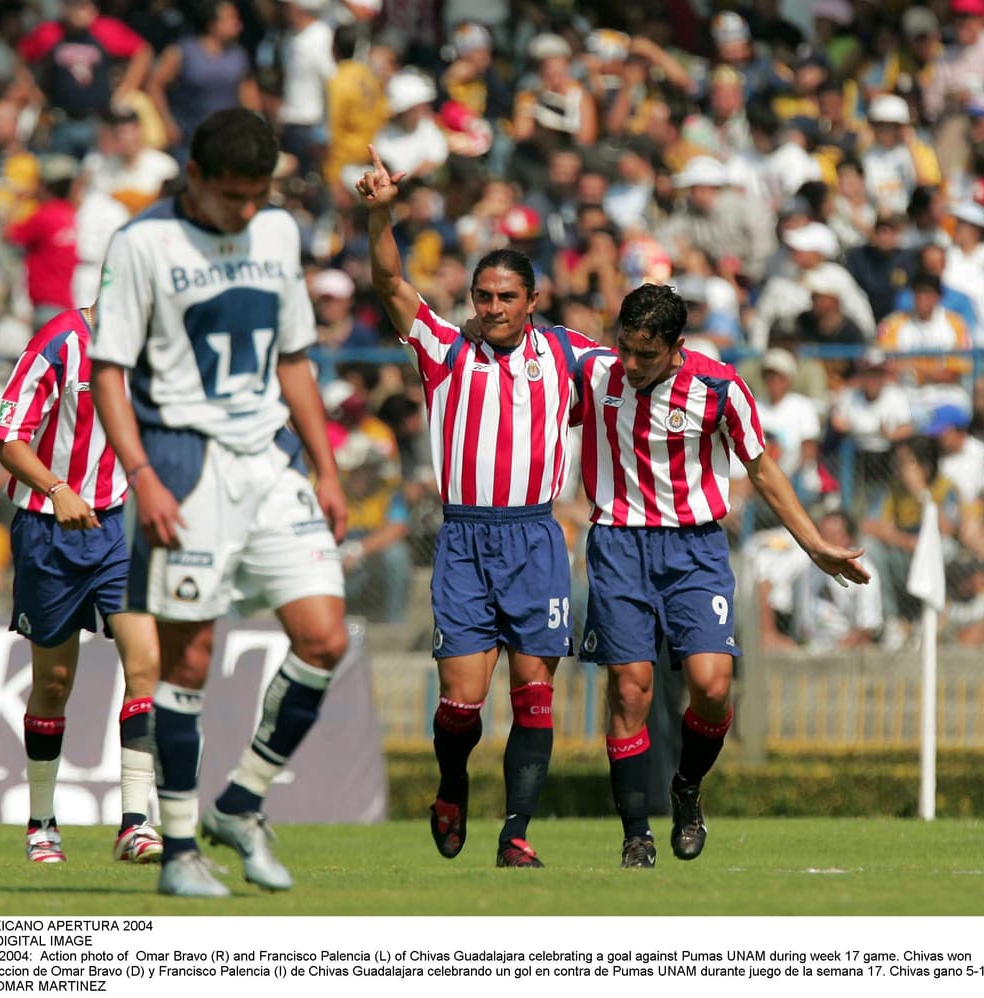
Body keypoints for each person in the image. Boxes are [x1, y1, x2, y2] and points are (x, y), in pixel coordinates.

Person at [88, 108, 349, 898]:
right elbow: (109, 371)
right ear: (194, 177)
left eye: (258, 194)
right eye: (233, 195)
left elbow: (296, 358)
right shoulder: (143, 245)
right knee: (189, 659)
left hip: (269, 461)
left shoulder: (276, 234)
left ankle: (240, 802)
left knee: (325, 638)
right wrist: (142, 477)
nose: (246, 210)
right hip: (184, 461)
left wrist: (327, 470)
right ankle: (176, 850)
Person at [574, 283, 870, 868]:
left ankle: (687, 787)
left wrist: (814, 544)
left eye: (645, 354)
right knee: (630, 688)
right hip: (618, 546)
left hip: (695, 550)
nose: (630, 364)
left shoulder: (719, 387)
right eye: (624, 349)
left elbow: (762, 471)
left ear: (676, 345)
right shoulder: (594, 374)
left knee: (712, 688)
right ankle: (637, 834)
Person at [358, 146, 597, 869]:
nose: (491, 309)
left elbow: (634, 378)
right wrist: (380, 215)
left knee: (533, 692)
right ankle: (452, 783)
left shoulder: (569, 355)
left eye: (505, 298)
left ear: (532, 301)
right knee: (460, 703)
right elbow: (390, 279)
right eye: (482, 297)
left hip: (536, 538)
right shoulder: (440, 346)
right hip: (465, 541)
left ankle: (516, 832)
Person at [0, 305, 161, 865]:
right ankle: (42, 823)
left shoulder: (156, 344)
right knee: (54, 681)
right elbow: (7, 439)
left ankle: (135, 824)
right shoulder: (59, 341)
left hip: (117, 526)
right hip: (47, 531)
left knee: (146, 664)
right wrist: (57, 486)